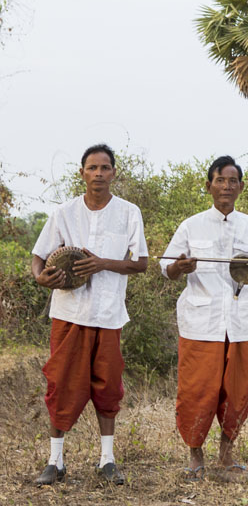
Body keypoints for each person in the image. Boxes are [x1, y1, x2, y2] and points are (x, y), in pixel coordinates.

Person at [31, 144, 149, 486]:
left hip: (109, 313)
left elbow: (140, 263)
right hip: (68, 312)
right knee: (60, 383)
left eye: (105, 168)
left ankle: (107, 460)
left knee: (108, 387)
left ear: (114, 173)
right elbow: (39, 257)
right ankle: (55, 461)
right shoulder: (64, 212)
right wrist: (41, 276)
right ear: (82, 172)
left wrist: (102, 263)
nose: (98, 173)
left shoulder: (128, 212)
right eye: (92, 168)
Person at [161, 155, 248, 480]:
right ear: (208, 185)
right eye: (220, 180)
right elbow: (167, 268)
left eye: (232, 181)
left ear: (241, 187)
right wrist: (179, 267)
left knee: (238, 390)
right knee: (197, 390)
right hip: (201, 324)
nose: (226, 186)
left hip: (241, 325)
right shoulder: (191, 225)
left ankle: (227, 454)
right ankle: (195, 455)